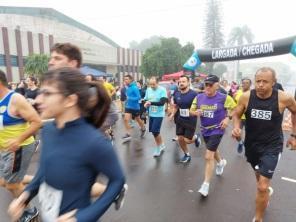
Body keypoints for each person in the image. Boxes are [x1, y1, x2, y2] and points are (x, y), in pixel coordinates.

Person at [8, 68, 126, 222]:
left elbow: (117, 181)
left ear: (70, 100)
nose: (38, 100)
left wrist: (84, 216)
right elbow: (45, 169)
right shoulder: (49, 130)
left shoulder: (95, 142)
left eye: (47, 93)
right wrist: (25, 195)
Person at [23, 42, 127, 208]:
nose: (51, 62)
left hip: (88, 141)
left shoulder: (87, 90)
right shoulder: (55, 86)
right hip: (68, 139)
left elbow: (107, 113)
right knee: (62, 179)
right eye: (51, 58)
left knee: (74, 182)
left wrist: (94, 132)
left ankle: (113, 191)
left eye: (57, 58)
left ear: (72, 63)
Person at [232, 67, 296, 222]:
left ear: (273, 83)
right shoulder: (246, 97)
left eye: (265, 81)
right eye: (258, 81)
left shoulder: (284, 98)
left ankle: (258, 218)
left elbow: (295, 112)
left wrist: (294, 135)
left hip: (272, 146)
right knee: (259, 178)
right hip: (252, 145)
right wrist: (236, 127)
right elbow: (236, 113)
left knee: (261, 186)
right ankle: (265, 191)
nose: (260, 84)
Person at [0, 70, 42, 221]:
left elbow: (37, 121)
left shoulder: (15, 99)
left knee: (12, 184)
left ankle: (31, 211)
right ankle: (40, 179)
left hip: (19, 148)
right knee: (3, 181)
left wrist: (18, 140)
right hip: (3, 150)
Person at [190, 74, 236, 197]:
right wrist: (195, 112)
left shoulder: (224, 97)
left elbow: (235, 108)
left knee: (208, 156)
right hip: (205, 129)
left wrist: (227, 118)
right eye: (206, 85)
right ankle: (221, 162)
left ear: (217, 85)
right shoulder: (199, 97)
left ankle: (205, 185)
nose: (208, 87)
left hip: (217, 129)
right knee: (212, 150)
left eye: (211, 85)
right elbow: (191, 110)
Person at [169, 75, 200, 163]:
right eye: (180, 82)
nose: (181, 83)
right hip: (180, 119)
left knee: (187, 140)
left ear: (188, 82)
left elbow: (199, 107)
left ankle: (196, 137)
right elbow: (176, 106)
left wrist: (197, 112)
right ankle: (187, 154)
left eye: (183, 82)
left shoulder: (194, 94)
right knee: (180, 138)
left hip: (190, 120)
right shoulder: (177, 93)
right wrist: (172, 114)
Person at [144, 77, 168, 157]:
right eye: (150, 84)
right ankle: (162, 144)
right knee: (155, 132)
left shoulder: (162, 90)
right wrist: (144, 102)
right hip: (151, 114)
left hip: (159, 114)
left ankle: (158, 147)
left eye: (153, 84)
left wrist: (150, 103)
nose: (152, 86)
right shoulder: (148, 89)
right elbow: (146, 99)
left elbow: (162, 103)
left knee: (155, 131)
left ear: (158, 83)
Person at [122, 74, 146, 142]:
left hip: (135, 107)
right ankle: (128, 134)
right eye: (124, 79)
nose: (125, 80)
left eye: (126, 79)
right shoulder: (128, 87)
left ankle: (143, 128)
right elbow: (127, 96)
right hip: (128, 106)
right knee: (126, 120)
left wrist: (130, 98)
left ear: (130, 80)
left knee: (138, 119)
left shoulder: (134, 87)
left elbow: (138, 97)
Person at [234, 78, 252, 154]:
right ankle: (240, 142)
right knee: (236, 134)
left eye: (247, 83)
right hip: (239, 117)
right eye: (243, 82)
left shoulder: (253, 93)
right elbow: (235, 104)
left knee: (250, 135)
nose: (245, 84)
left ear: (250, 84)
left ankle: (248, 148)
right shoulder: (238, 92)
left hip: (249, 118)